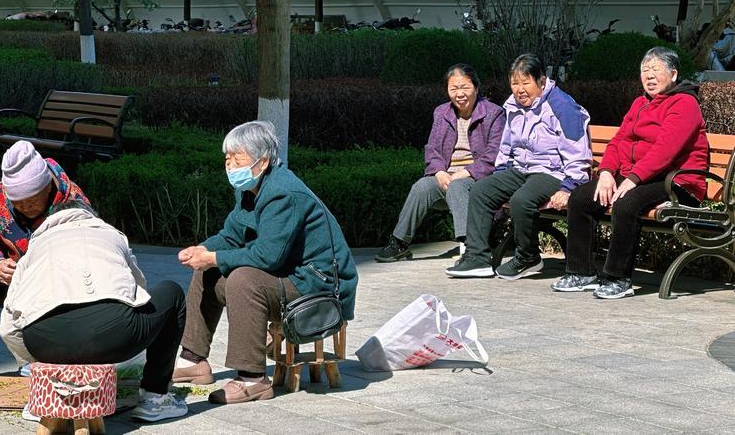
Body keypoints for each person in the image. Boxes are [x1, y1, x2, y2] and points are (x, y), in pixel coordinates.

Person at [172, 121, 358, 404]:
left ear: (264, 160)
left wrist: (214, 257)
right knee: (208, 271)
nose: (231, 165)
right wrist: (203, 250)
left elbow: (267, 256)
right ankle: (192, 360)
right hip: (289, 274)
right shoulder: (250, 188)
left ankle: (252, 378)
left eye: (239, 157)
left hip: (318, 285)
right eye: (227, 158)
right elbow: (232, 234)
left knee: (244, 280)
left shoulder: (283, 192)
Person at [0, 200, 188, 422]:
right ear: (91, 215)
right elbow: (137, 290)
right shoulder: (111, 234)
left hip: (45, 342)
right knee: (172, 292)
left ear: (50, 220)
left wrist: (35, 363)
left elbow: (7, 327)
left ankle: (42, 397)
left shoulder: (35, 245)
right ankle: (155, 398)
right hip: (113, 337)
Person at [552, 47, 708, 299]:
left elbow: (665, 150)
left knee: (626, 204)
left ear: (674, 74)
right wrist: (605, 173)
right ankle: (582, 273)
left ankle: (618, 278)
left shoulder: (685, 103)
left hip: (677, 181)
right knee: (581, 198)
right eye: (645, 70)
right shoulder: (640, 103)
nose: (649, 76)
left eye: (656, 69)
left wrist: (633, 178)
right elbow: (619, 142)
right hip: (639, 178)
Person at [0, 141, 89, 390]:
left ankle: (49, 361)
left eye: (32, 201)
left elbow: (87, 251)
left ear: (46, 187)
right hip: (14, 277)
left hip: (60, 283)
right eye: (19, 203)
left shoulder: (72, 201)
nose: (25, 208)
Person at [446, 53, 592, 280]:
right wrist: (502, 174)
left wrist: (569, 185)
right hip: (521, 169)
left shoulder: (562, 106)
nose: (519, 89)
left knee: (521, 200)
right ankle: (477, 257)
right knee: (481, 190)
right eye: (515, 83)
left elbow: (577, 151)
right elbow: (506, 145)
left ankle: (528, 257)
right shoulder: (512, 105)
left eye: (526, 83)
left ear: (541, 81)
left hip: (553, 172)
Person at [376, 63, 505, 262]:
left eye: (465, 87)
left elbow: (494, 155)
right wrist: (438, 172)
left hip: (478, 180)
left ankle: (471, 249)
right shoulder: (441, 113)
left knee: (458, 186)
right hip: (447, 177)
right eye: (454, 89)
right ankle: (399, 242)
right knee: (422, 186)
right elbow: (432, 149)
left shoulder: (494, 113)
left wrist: (465, 172)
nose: (459, 93)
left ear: (476, 88)